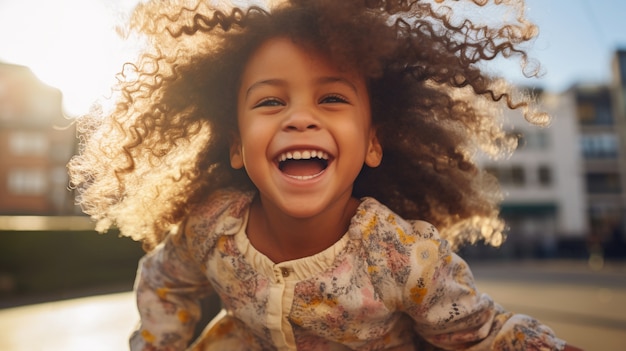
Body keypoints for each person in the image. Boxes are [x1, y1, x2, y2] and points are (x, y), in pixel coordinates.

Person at [68, 0, 583, 350]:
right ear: (236, 145)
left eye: (332, 98)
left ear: (373, 142)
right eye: (270, 101)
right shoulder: (211, 228)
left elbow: (483, 336)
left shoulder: (404, 257)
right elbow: (164, 280)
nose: (299, 117)